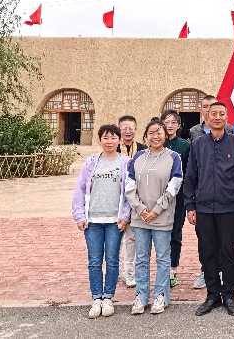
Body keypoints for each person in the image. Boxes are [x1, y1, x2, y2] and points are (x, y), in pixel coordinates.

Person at [185, 102, 234, 316]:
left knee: (228, 252)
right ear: (206, 117)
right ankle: (212, 294)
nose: (217, 117)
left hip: (229, 208)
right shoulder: (197, 144)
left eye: (221, 114)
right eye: (213, 114)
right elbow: (191, 176)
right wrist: (190, 205)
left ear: (227, 118)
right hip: (203, 208)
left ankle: (229, 295)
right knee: (208, 252)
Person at [72, 124, 131, 319]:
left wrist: (126, 215)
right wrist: (79, 215)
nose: (109, 141)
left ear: (119, 140)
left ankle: (108, 298)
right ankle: (96, 297)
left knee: (112, 260)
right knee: (94, 260)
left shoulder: (126, 163)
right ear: (100, 140)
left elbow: (130, 192)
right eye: (106, 138)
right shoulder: (90, 163)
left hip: (115, 220)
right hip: (93, 220)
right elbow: (80, 189)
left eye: (113, 138)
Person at [125, 118, 183, 315]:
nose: (155, 136)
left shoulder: (173, 157)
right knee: (141, 258)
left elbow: (174, 185)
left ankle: (161, 295)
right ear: (146, 136)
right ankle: (141, 296)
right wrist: (140, 209)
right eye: (151, 133)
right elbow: (129, 185)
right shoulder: (138, 157)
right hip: (140, 217)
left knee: (163, 258)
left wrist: (157, 209)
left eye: (159, 132)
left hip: (162, 217)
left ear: (165, 135)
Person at [161, 110, 190, 289]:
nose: (170, 125)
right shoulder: (158, 143)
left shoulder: (184, 145)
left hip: (178, 195)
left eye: (173, 122)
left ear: (178, 125)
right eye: (166, 122)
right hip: (157, 194)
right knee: (158, 232)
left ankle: (173, 268)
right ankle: (161, 267)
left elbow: (188, 171)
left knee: (175, 232)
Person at [117, 115, 147, 289]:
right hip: (117, 200)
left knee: (132, 238)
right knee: (115, 238)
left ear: (136, 130)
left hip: (136, 200)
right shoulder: (113, 149)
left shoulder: (143, 150)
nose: (128, 131)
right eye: (124, 128)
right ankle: (114, 269)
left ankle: (128, 270)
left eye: (131, 128)